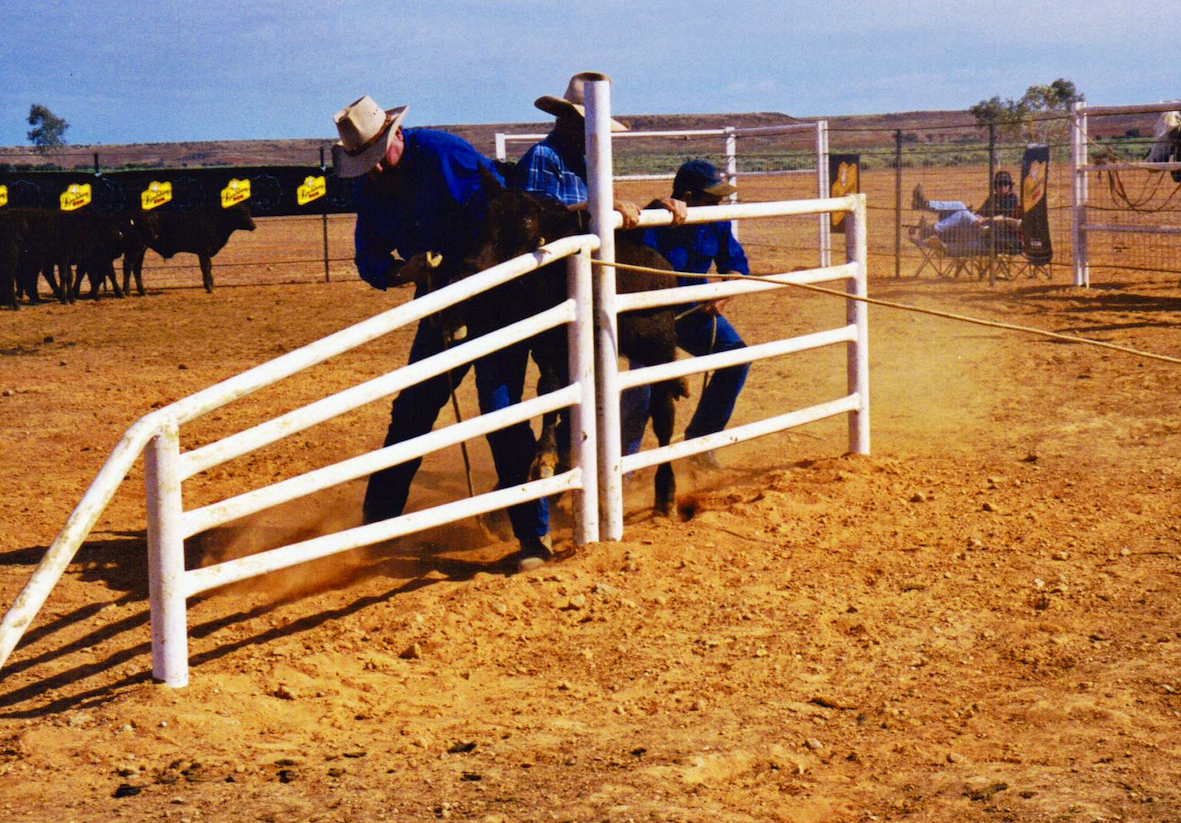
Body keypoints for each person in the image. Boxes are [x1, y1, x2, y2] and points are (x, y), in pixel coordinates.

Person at [332, 94, 551, 572]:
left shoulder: (444, 154)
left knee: (499, 409)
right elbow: (369, 256)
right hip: (438, 302)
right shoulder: (371, 188)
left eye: (375, 158)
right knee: (410, 412)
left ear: (395, 138)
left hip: (493, 297)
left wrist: (472, 264)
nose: (374, 171)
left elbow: (502, 212)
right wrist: (400, 271)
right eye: (363, 163)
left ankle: (533, 536)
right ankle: (377, 528)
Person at [621, 160, 751, 469]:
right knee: (643, 387)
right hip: (649, 319)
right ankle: (622, 467)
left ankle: (700, 443)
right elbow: (626, 247)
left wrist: (724, 292)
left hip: (692, 311)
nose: (719, 203)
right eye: (712, 197)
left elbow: (735, 263)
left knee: (736, 358)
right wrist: (653, 207)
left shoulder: (715, 220)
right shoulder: (655, 219)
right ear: (689, 195)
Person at [513, 71, 686, 228]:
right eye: (589, 125)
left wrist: (657, 206)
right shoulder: (544, 155)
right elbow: (538, 216)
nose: (596, 134)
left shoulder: (587, 162)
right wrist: (598, 206)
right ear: (568, 120)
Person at [911, 171, 1022, 253]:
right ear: (995, 186)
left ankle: (930, 226)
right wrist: (975, 215)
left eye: (1005, 184)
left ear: (1009, 186)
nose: (1002, 187)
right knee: (958, 209)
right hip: (978, 227)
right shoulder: (992, 198)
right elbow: (980, 213)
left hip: (992, 232)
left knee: (960, 208)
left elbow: (1004, 218)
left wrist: (984, 219)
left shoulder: (1011, 198)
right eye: (999, 184)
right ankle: (926, 207)